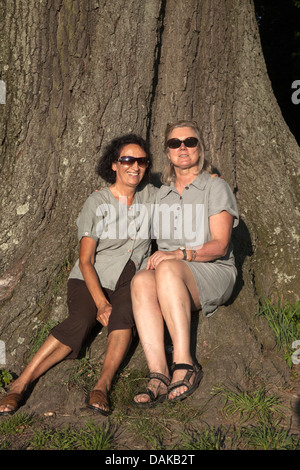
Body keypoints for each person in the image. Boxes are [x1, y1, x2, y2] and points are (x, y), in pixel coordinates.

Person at [0, 133, 156, 417]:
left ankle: (102, 386)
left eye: (141, 161)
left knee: (125, 317)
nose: (135, 166)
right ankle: (20, 383)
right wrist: (100, 303)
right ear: (114, 164)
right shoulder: (97, 203)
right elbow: (85, 261)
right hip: (91, 277)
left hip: (131, 278)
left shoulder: (153, 197)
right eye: (127, 160)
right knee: (80, 321)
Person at [131, 120, 239, 406]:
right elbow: (127, 199)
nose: (182, 148)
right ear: (167, 152)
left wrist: (180, 253)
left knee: (165, 268)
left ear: (199, 148)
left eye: (190, 142)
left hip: (213, 270)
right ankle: (159, 373)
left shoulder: (215, 187)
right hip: (173, 274)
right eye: (174, 143)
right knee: (141, 280)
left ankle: (185, 364)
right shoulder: (160, 194)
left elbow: (220, 245)